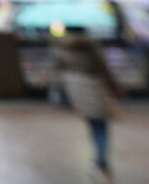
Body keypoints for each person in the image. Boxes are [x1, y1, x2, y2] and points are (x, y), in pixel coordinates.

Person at [53, 31, 122, 183]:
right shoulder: (92, 50)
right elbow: (104, 71)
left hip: (77, 92)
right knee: (101, 128)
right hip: (95, 89)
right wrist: (116, 90)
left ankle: (99, 161)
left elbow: (58, 71)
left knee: (94, 126)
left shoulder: (63, 50)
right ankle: (102, 162)